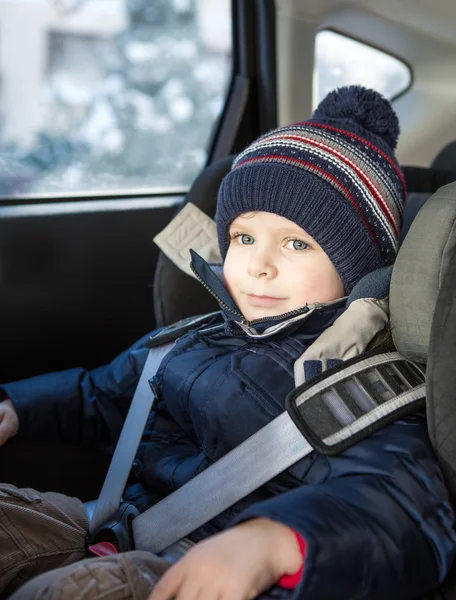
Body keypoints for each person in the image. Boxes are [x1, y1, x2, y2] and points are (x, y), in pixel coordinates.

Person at [0, 85, 455, 600]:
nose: (259, 264)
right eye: (244, 237)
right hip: (106, 526)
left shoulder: (351, 387)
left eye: (296, 243)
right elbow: (100, 395)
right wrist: (19, 406)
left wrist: (275, 540)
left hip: (204, 574)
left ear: (356, 268)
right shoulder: (194, 337)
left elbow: (403, 505)